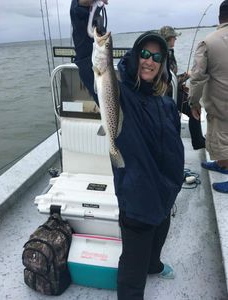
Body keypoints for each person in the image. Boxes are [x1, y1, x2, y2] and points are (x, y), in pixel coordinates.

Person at [70, 1, 184, 299]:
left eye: (157, 56)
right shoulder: (121, 93)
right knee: (132, 271)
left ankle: (154, 265)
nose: (149, 60)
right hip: (136, 200)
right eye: (145, 54)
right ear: (135, 57)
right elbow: (86, 58)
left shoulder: (166, 102)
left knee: (158, 239)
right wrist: (83, 9)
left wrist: (174, 184)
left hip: (164, 194)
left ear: (163, 63)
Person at [189, 0, 228, 194]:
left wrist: (193, 103)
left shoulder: (208, 42)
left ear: (219, 17)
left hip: (221, 107)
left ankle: (225, 166)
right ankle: (222, 165)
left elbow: (196, 78)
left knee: (223, 140)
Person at [159, 25, 205, 150]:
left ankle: (199, 140)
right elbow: (167, 82)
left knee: (196, 108)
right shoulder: (163, 56)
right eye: (174, 37)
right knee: (194, 109)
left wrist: (181, 85)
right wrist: (187, 75)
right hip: (167, 94)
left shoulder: (168, 53)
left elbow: (171, 77)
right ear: (168, 38)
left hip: (174, 91)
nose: (176, 40)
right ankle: (198, 141)